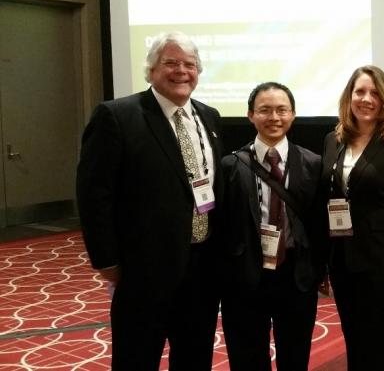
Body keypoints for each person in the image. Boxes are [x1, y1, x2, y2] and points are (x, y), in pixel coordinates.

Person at [76, 32, 222, 369]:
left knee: (194, 355)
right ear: (151, 70)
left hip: (201, 267)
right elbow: (94, 195)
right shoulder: (117, 116)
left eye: (190, 64)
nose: (181, 71)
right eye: (170, 63)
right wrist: (107, 261)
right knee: (137, 358)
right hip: (143, 271)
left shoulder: (208, 116)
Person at [321, 65, 384, 371]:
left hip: (383, 265)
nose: (366, 99)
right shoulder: (334, 139)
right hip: (343, 262)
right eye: (360, 92)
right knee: (355, 343)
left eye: (375, 93)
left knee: (378, 347)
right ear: (349, 96)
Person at [219, 82, 326, 370]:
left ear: (293, 114)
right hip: (245, 278)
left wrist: (318, 271)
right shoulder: (230, 165)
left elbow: (319, 224)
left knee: (295, 355)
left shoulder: (313, 163)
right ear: (250, 115)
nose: (274, 117)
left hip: (296, 276)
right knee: (247, 356)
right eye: (264, 110)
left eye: (282, 110)